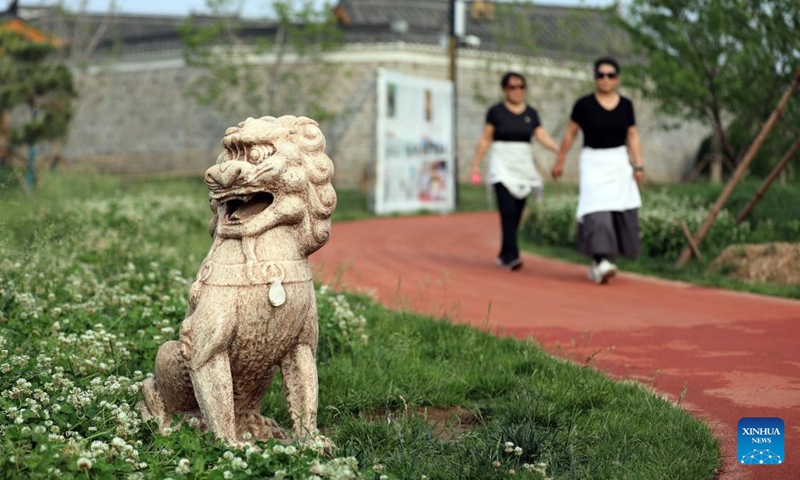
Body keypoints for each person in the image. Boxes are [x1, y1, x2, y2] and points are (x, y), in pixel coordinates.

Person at [552, 57, 645, 284]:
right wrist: (560, 160)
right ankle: (601, 260)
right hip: (593, 162)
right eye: (601, 75)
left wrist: (638, 164)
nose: (605, 79)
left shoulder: (626, 105)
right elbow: (570, 133)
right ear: (595, 78)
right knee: (597, 211)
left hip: (618, 162)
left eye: (610, 75)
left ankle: (600, 264)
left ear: (617, 79)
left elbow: (632, 135)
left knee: (617, 211)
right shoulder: (583, 105)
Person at [470, 71, 558, 271]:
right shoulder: (496, 112)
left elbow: (541, 134)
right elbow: (486, 138)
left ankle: (504, 252)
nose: (517, 91)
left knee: (517, 212)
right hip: (502, 166)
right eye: (512, 87)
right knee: (507, 210)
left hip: (523, 167)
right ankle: (513, 256)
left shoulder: (531, 114)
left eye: (521, 87)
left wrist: (557, 149)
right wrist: (475, 165)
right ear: (504, 90)